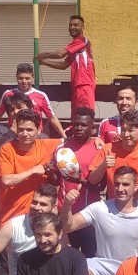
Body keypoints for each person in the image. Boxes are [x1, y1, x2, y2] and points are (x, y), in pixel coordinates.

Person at [61, 166, 138, 275]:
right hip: (104, 266)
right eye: (116, 184)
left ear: (135, 186)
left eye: (125, 184)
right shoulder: (99, 208)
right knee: (80, 268)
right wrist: (67, 204)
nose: (120, 189)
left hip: (134, 268)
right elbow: (68, 226)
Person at [0, 110, 61, 229]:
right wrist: (33, 171)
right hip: (11, 218)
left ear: (39, 130)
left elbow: (72, 141)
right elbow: (6, 181)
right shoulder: (7, 149)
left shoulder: (46, 145)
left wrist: (94, 139)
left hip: (38, 219)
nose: (25, 134)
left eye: (29, 130)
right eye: (21, 129)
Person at [0, 184, 58, 275]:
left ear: (54, 208)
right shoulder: (14, 225)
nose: (36, 207)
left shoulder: (57, 228)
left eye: (43, 204)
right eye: (34, 202)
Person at [0, 64, 67, 147]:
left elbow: (52, 117)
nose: (24, 81)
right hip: (13, 134)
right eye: (20, 78)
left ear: (32, 78)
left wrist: (65, 137)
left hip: (34, 135)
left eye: (27, 78)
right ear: (16, 78)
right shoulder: (8, 94)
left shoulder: (41, 95)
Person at [87, 110, 138, 201]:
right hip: (115, 205)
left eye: (130, 131)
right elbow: (92, 181)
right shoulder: (108, 149)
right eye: (123, 130)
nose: (126, 135)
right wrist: (103, 166)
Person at [59, 107, 104, 257]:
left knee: (90, 260)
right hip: (65, 213)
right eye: (76, 124)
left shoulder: (99, 149)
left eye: (84, 125)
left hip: (89, 216)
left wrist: (79, 180)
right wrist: (50, 171)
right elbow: (54, 180)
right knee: (65, 259)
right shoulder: (61, 148)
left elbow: (101, 186)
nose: (79, 128)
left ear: (92, 128)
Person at [36, 14, 96, 111]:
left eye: (76, 25)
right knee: (76, 116)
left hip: (84, 85)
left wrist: (44, 55)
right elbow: (63, 65)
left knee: (84, 115)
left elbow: (60, 54)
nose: (72, 27)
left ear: (83, 27)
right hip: (77, 85)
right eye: (70, 25)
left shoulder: (81, 40)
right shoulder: (75, 48)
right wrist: (44, 62)